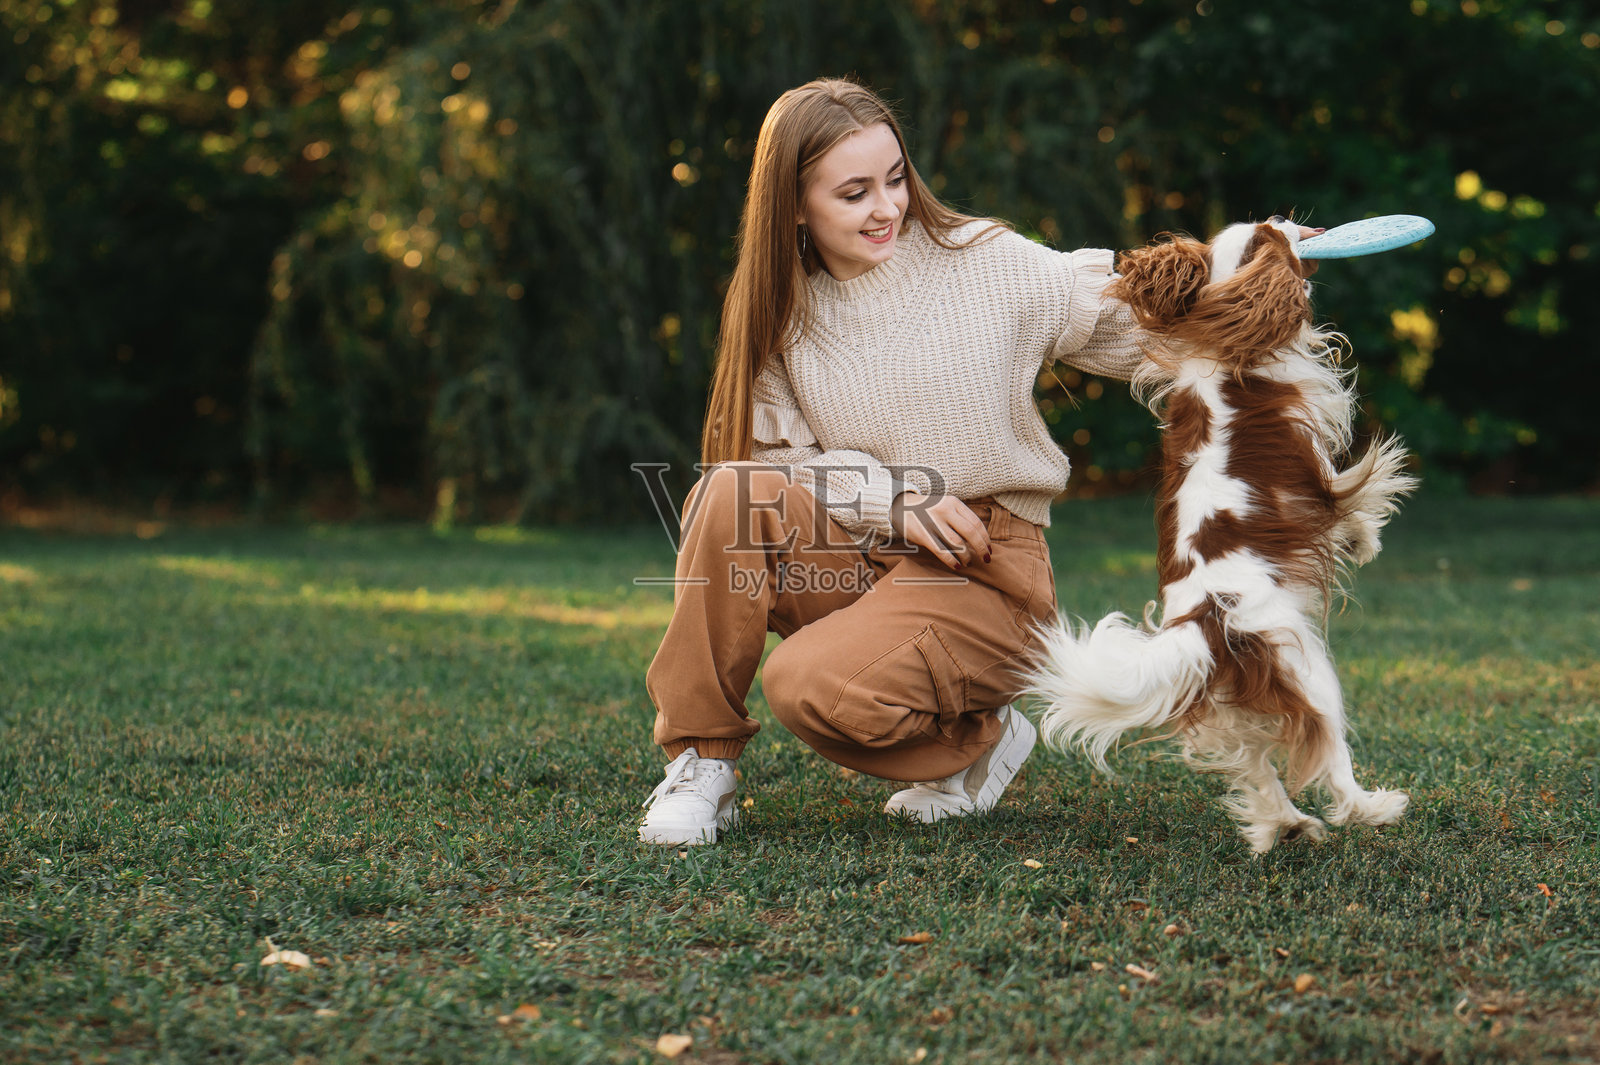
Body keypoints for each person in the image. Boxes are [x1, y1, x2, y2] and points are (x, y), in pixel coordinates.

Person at [638, 76, 1144, 846]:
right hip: (867, 554)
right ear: (795, 205)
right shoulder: (785, 315)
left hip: (984, 567)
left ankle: (978, 742)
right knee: (733, 491)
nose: (887, 206)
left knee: (802, 685)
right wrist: (893, 500)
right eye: (854, 192)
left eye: (896, 178)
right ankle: (703, 760)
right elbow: (782, 462)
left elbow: (1127, 310)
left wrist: (1253, 271)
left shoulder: (983, 262)